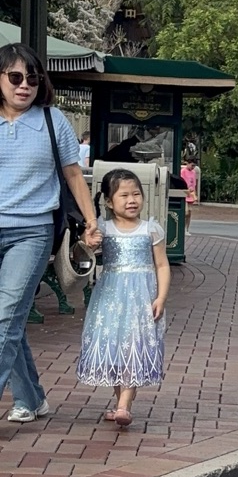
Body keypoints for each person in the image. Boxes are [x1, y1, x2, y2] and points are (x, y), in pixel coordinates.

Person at [0, 44, 101, 424]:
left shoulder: (51, 120)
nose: (24, 85)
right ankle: (31, 398)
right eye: (14, 77)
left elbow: (74, 175)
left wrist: (91, 222)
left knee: (5, 316)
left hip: (31, 231)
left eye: (32, 78)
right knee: (9, 321)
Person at [77, 168, 170, 426]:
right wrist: (88, 241)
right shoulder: (103, 228)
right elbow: (83, 253)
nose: (132, 200)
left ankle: (122, 405)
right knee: (116, 347)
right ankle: (121, 402)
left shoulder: (151, 229)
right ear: (109, 201)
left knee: (135, 346)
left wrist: (161, 297)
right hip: (110, 297)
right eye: (124, 195)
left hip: (141, 298)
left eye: (136, 194)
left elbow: (162, 265)